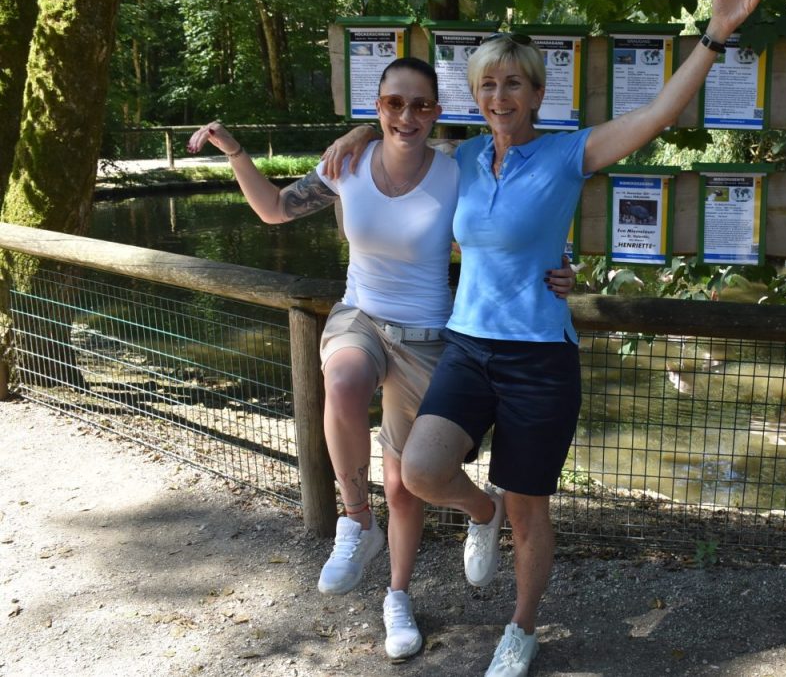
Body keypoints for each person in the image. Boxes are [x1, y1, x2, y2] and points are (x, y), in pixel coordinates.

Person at [325, 0, 765, 677]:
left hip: (539, 358)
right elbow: (399, 136)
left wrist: (713, 37)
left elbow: (658, 114)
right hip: (467, 347)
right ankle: (481, 513)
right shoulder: (458, 157)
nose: (500, 95)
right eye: (488, 84)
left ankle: (521, 628)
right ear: (478, 94)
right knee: (424, 469)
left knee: (532, 509)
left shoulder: (569, 155)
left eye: (515, 84)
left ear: (536, 93)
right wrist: (361, 134)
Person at [185, 58, 576, 662]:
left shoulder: (456, 167)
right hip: (360, 315)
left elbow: (519, 207)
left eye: (422, 105)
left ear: (437, 112)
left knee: (406, 484)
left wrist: (562, 263)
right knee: (341, 383)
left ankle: (420, 571)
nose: (407, 115)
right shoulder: (347, 163)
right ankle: (354, 520)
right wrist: (236, 150)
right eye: (394, 103)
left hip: (428, 334)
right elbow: (274, 210)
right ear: (377, 105)